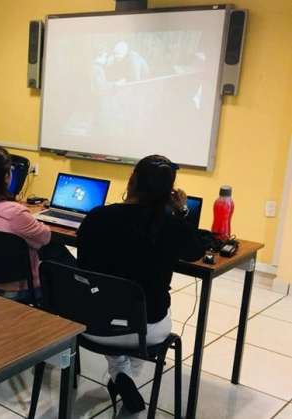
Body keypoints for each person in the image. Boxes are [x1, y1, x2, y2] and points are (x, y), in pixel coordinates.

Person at [76, 154, 205, 413]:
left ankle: (120, 373)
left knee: (113, 305)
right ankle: (126, 376)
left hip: (92, 323)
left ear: (131, 181)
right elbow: (196, 250)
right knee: (136, 310)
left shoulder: (97, 217)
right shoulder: (171, 226)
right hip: (147, 329)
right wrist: (181, 211)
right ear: (168, 193)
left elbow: (85, 264)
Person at [0, 143, 64, 300]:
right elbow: (45, 238)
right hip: (16, 289)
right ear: (6, 177)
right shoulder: (15, 213)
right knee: (60, 256)